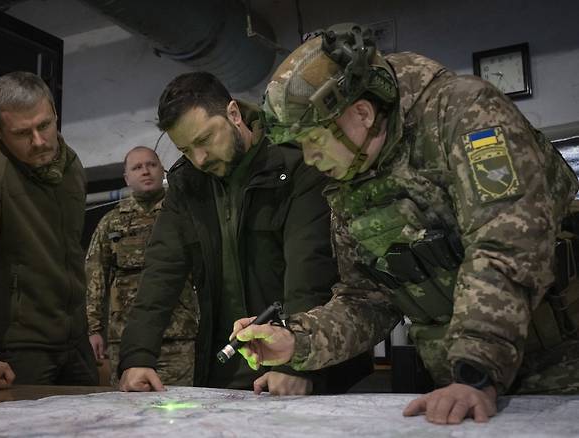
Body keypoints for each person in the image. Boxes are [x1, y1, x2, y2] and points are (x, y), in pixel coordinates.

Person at [231, 23, 579, 423]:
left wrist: (475, 369)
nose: (309, 159)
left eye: (314, 141)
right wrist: (297, 341)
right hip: (462, 384)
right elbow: (367, 299)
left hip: (559, 371)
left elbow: (506, 242)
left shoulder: (463, 113)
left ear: (361, 113)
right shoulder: (350, 178)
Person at [118, 71, 373, 395]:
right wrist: (137, 356)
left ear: (234, 114)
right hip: (226, 371)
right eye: (185, 150)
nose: (199, 158)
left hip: (309, 368)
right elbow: (160, 271)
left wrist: (294, 361)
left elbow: (309, 270)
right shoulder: (187, 186)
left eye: (204, 140)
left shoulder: (296, 164)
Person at [0, 71, 98, 390]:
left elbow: (72, 254)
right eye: (22, 133)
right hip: (18, 350)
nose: (39, 141)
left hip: (75, 343)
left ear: (55, 114)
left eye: (44, 125)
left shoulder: (73, 167)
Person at [86, 146, 199, 387]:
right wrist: (93, 329)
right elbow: (95, 277)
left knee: (184, 410)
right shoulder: (111, 223)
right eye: (137, 167)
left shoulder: (184, 215)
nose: (145, 171)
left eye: (151, 165)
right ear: (126, 178)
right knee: (130, 413)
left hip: (178, 336)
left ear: (162, 170)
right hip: (126, 338)